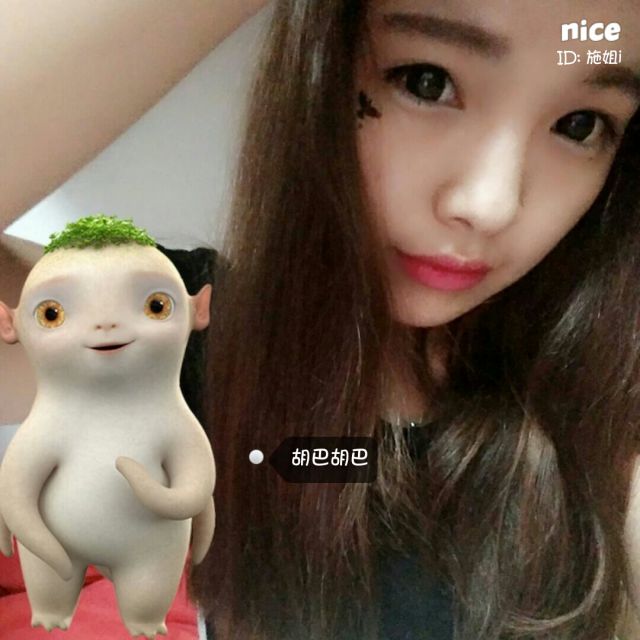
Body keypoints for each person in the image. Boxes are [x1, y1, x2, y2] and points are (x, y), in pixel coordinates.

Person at [2, 1, 640, 639]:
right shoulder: (182, 326)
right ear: (321, 67)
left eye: (579, 125)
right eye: (427, 82)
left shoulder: (599, 410)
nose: (489, 204)